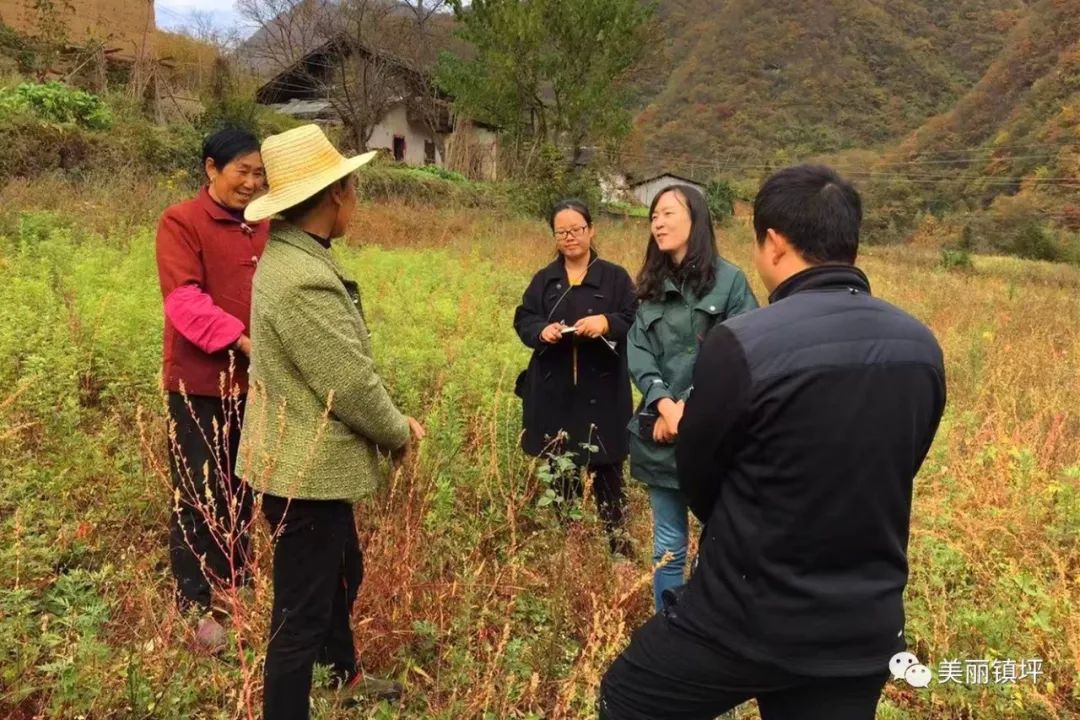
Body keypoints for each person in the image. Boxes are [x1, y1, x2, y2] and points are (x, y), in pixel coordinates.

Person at [599, 165, 947, 720]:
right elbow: (904, 462)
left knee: (627, 698)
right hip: (863, 626)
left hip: (746, 614)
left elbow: (699, 473)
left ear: (775, 244)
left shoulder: (744, 342)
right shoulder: (921, 347)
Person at [236, 124, 425, 720]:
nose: (356, 199)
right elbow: (349, 384)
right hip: (305, 472)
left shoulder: (296, 258)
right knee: (299, 617)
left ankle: (343, 676)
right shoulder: (303, 279)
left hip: (308, 465)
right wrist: (397, 431)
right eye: (353, 187)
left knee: (345, 571)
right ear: (335, 195)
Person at [155, 127, 268, 651]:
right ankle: (194, 603)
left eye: (259, 173)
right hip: (200, 384)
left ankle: (236, 581)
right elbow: (184, 301)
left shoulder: (268, 224)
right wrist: (243, 344)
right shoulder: (182, 222)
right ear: (210, 168)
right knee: (198, 492)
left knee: (242, 485)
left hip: (258, 386)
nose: (251, 182)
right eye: (242, 171)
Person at [625, 185, 758, 611]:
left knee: (719, 536)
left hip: (714, 436)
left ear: (695, 219)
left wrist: (689, 407)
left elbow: (741, 352)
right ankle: (667, 625)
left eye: (667, 213)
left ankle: (707, 621)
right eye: (653, 217)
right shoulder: (649, 284)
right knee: (667, 542)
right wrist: (664, 403)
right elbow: (638, 350)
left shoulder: (731, 282)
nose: (657, 223)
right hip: (660, 434)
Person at [513, 199, 637, 555]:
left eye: (576, 230)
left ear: (591, 230)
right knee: (561, 471)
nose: (570, 238)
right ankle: (573, 550)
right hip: (556, 392)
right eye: (562, 232)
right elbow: (523, 319)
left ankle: (620, 551)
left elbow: (634, 317)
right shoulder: (545, 279)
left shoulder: (614, 277)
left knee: (608, 472)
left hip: (603, 392)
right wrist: (543, 330)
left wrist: (607, 323)